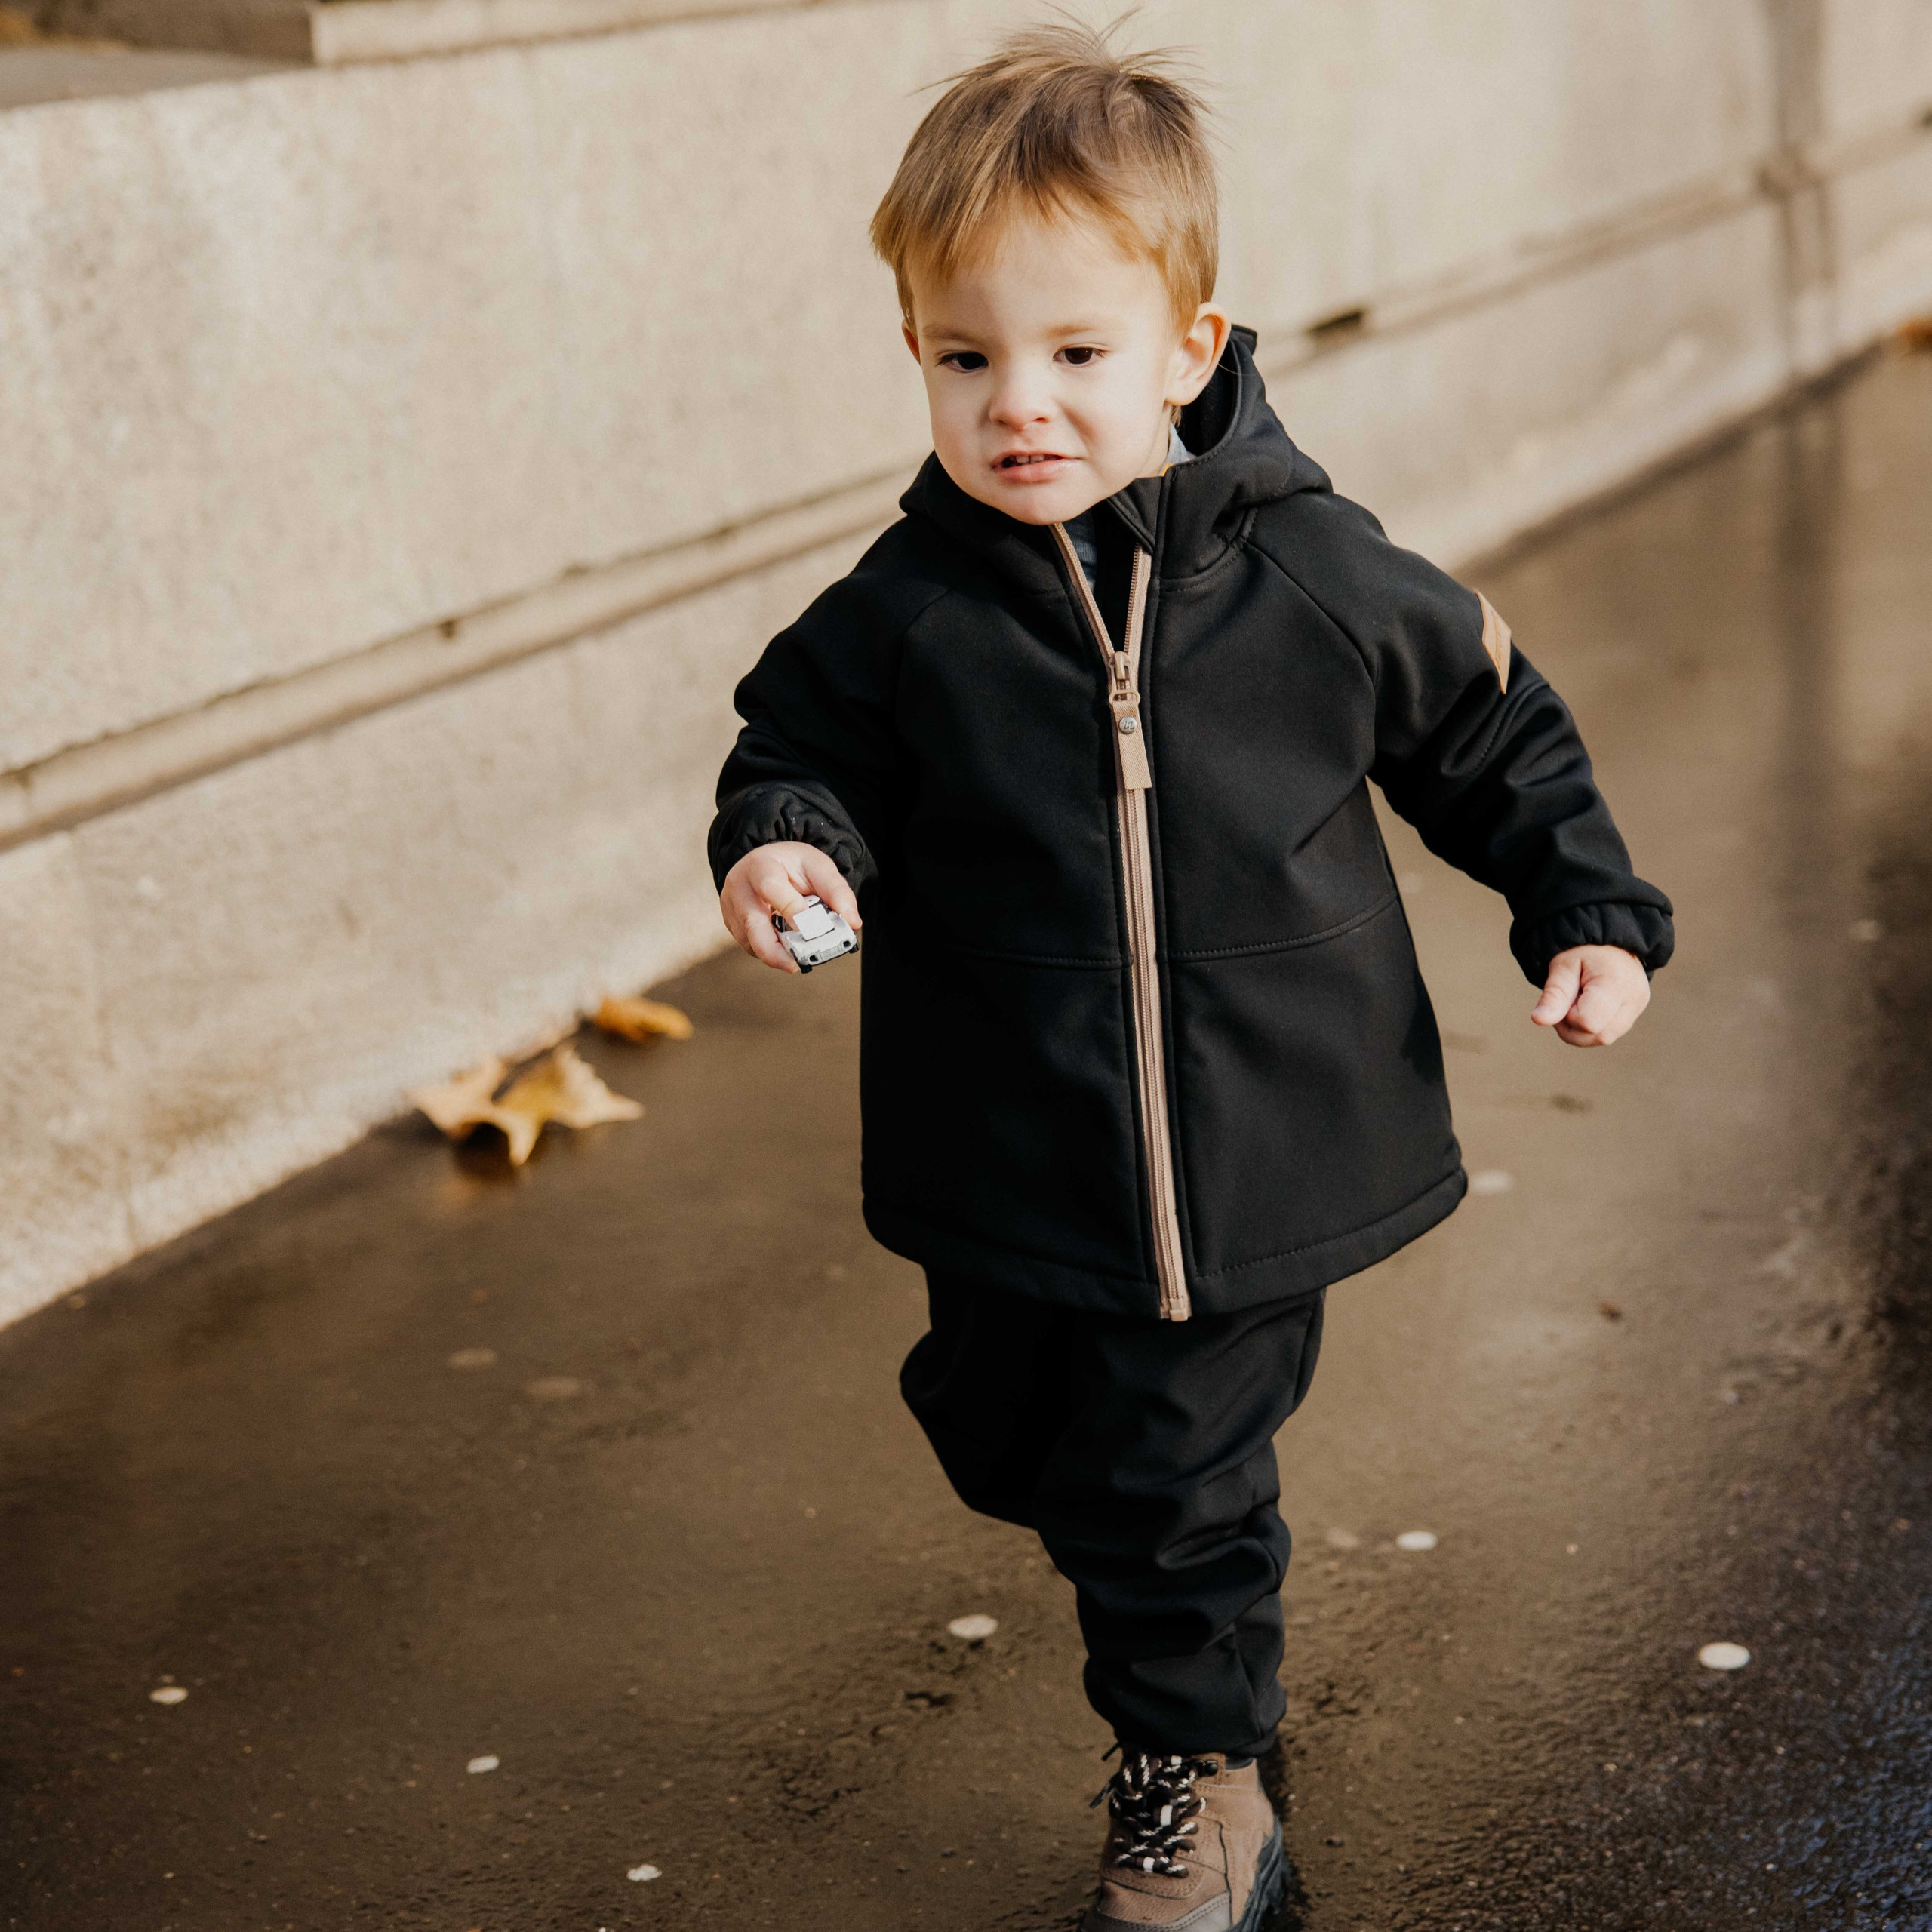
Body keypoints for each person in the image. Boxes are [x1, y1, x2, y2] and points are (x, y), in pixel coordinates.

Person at [708, 21, 1672, 1929]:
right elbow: (790, 748)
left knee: (1166, 1472)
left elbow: (1492, 733)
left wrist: (1583, 908)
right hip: (1007, 1129)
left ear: (1190, 349)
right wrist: (785, 838)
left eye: (1076, 355)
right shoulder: (902, 612)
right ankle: (1194, 1662)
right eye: (965, 358)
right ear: (913, 352)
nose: (1020, 406)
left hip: (1259, 1140)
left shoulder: (1313, 576)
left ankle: (1197, 1777)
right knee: (1011, 1426)